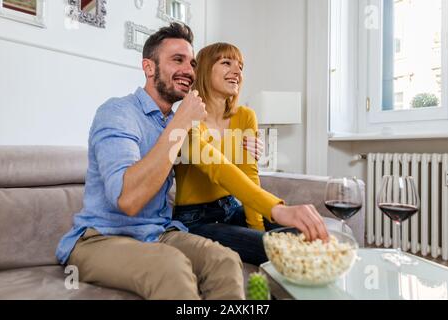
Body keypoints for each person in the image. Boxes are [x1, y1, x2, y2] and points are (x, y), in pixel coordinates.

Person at [56, 23, 246, 300]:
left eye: (191, 63)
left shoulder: (176, 123)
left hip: (158, 233)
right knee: (170, 266)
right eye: (177, 60)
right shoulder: (117, 112)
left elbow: (216, 167)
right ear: (148, 67)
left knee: (225, 261)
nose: (189, 71)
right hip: (101, 238)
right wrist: (180, 123)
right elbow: (128, 199)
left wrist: (244, 147)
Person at [173, 42, 329, 266]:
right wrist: (276, 210)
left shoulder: (245, 116)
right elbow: (217, 167)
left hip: (232, 207)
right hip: (196, 220)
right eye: (226, 63)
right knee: (282, 250)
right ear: (205, 69)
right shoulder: (187, 116)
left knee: (305, 236)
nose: (237, 72)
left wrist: (257, 226)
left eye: (240, 67)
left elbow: (249, 176)